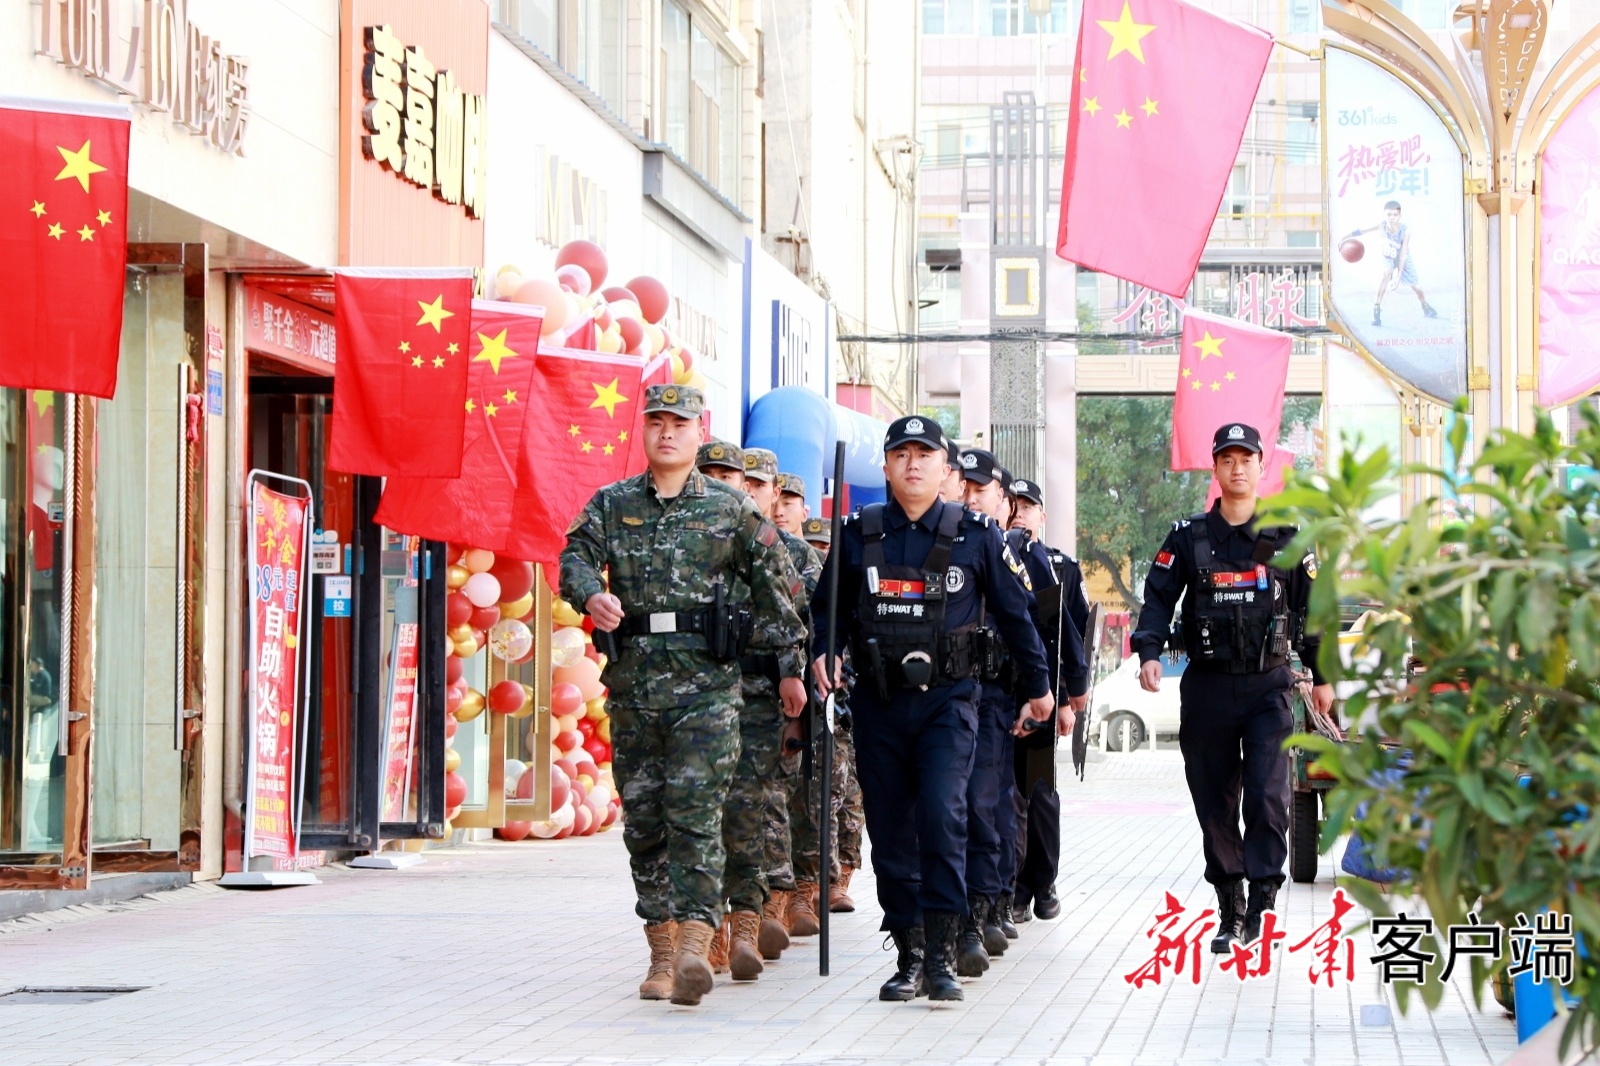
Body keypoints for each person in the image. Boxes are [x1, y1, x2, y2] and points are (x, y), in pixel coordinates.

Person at [561, 386, 808, 1006]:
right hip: (635, 689)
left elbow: (778, 586)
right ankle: (662, 950)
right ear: (642, 431)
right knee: (645, 823)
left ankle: (696, 945)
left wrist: (790, 666)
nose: (667, 432)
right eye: (656, 422)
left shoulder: (730, 509)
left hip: (708, 691)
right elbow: (574, 557)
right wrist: (590, 592)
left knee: (696, 814)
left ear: (700, 431)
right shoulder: (612, 504)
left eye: (680, 422)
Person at [812, 416, 1055, 1003]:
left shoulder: (976, 534)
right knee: (891, 829)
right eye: (902, 454)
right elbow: (827, 612)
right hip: (879, 702)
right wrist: (824, 651)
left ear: (946, 469)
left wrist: (1040, 686)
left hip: (950, 702)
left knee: (944, 816)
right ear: (887, 466)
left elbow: (1017, 615)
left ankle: (943, 952)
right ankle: (910, 952)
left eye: (925, 454)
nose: (913, 463)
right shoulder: (858, 533)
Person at [1131, 423, 1336, 953]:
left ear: (1261, 467)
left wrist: (1324, 677)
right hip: (1208, 688)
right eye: (1228, 459)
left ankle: (1263, 903)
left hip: (1269, 685)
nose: (1237, 467)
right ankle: (1231, 908)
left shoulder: (1288, 538)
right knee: (1214, 801)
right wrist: (1149, 652)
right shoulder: (1189, 537)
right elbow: (1157, 599)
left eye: (1246, 459)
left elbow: (1315, 611)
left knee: (1268, 796)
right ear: (1216, 468)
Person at [954, 448, 1044, 974]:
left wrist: (1047, 691)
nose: (969, 497)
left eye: (980, 489)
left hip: (994, 697)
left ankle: (989, 904)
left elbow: (1034, 624)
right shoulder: (939, 541)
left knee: (990, 804)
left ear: (1002, 501)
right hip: (944, 693)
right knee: (949, 807)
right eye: (963, 486)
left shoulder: (1014, 553)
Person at [1004, 477, 1090, 923]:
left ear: (1042, 515)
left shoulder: (1062, 568)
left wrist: (1067, 700)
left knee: (1038, 792)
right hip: (1000, 692)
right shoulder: (994, 557)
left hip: (1044, 695)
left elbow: (1074, 636)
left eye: (1028, 507)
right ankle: (1014, 889)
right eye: (1014, 505)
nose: (1020, 514)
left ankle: (1043, 882)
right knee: (1006, 795)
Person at [1346, 200, 1438, 327]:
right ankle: (1376, 309)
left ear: (1399, 216)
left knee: (1416, 287)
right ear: (1384, 214)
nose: (1391, 217)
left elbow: (1403, 255)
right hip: (1388, 255)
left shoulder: (1405, 231)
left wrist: (1398, 277)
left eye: (1395, 215)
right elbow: (1362, 231)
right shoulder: (1382, 226)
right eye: (1389, 214)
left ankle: (1425, 305)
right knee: (1386, 274)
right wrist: (1345, 237)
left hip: (1403, 257)